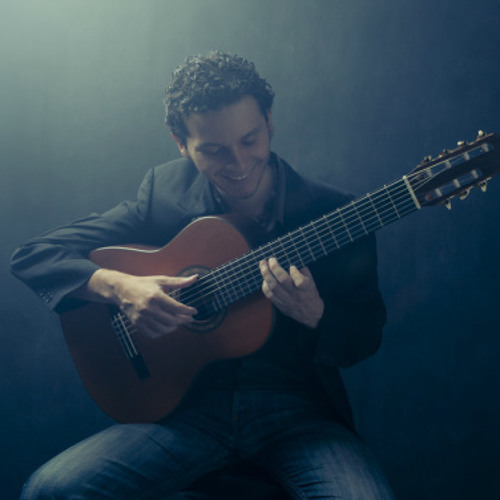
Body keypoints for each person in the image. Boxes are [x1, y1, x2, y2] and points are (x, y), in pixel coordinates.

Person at [11, 51, 394, 499]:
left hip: (298, 412)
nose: (239, 162)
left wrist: (317, 314)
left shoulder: (337, 213)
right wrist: (121, 288)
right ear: (181, 143)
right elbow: (36, 255)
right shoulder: (165, 193)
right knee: (49, 490)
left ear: (269, 121)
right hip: (188, 412)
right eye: (214, 150)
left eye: (249, 140)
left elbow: (366, 334)